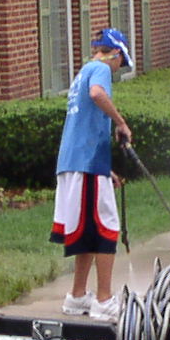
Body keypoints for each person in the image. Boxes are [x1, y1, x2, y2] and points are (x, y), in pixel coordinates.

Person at [53, 28, 134, 319]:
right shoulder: (100, 69)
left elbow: (84, 125)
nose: (118, 68)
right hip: (85, 164)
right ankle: (104, 300)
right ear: (116, 53)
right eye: (121, 62)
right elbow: (97, 94)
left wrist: (104, 169)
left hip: (78, 163)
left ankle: (77, 296)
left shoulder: (83, 72)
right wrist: (121, 123)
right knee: (106, 227)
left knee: (88, 229)